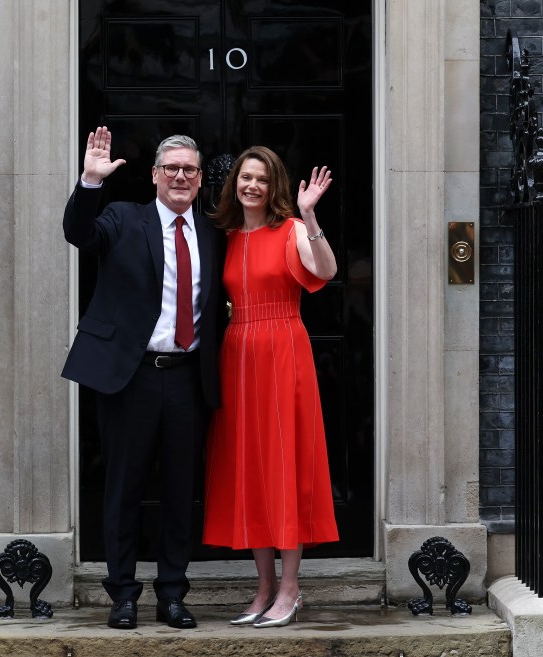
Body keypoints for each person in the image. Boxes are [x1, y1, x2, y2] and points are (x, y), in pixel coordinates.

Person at [62, 126, 224, 630]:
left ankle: (173, 594)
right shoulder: (122, 218)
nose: (180, 175)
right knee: (124, 489)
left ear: (199, 180)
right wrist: (90, 181)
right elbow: (79, 234)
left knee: (181, 492)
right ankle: (123, 594)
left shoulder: (215, 232)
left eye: (189, 169)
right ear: (154, 175)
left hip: (186, 379)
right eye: (171, 168)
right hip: (129, 377)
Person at [202, 146, 339, 628]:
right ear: (234, 184)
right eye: (245, 177)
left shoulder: (292, 230)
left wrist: (309, 214)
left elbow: (326, 271)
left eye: (261, 178)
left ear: (273, 185)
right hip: (238, 353)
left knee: (284, 466)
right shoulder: (228, 236)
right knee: (251, 468)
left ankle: (290, 587)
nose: (252, 186)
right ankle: (262, 587)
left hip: (283, 349)